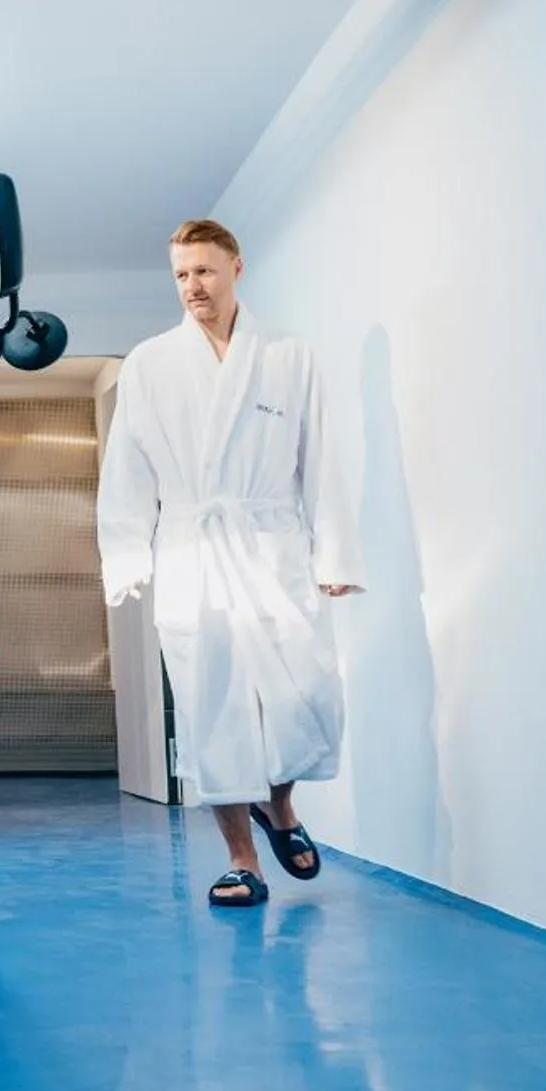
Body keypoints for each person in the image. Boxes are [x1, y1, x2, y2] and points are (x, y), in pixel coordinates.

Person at [96, 219, 363, 908]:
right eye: (182, 275)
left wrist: (333, 553)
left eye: (205, 272)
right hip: (192, 548)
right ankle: (242, 859)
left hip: (271, 542)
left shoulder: (288, 356)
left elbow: (320, 456)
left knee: (300, 694)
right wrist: (127, 553)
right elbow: (126, 466)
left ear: (236, 269)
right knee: (213, 706)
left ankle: (281, 808)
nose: (193, 287)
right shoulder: (151, 363)